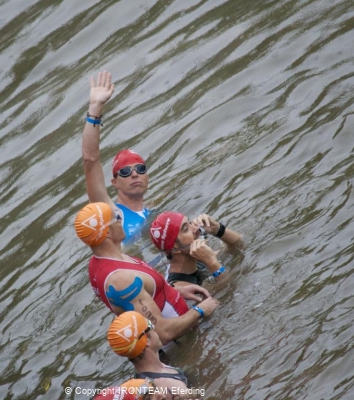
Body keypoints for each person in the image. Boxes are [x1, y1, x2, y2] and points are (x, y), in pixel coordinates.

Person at [75, 202, 218, 344]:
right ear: (107, 233)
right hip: (185, 344)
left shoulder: (100, 262)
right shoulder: (120, 280)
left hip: (188, 332)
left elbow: (143, 297)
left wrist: (174, 291)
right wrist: (199, 311)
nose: (121, 220)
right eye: (117, 218)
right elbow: (162, 333)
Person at [82, 70, 150, 244]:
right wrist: (95, 108)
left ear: (147, 176)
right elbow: (90, 160)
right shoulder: (113, 215)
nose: (134, 174)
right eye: (125, 171)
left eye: (140, 169)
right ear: (115, 183)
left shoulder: (151, 213)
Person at [107, 311, 202, 400]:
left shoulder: (139, 381)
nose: (154, 328)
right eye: (150, 325)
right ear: (146, 341)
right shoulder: (171, 387)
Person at [149, 212, 243, 287]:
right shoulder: (181, 289)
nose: (196, 228)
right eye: (186, 229)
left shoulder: (194, 258)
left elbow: (239, 246)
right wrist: (212, 263)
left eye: (190, 223)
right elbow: (230, 287)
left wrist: (218, 230)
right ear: (175, 248)